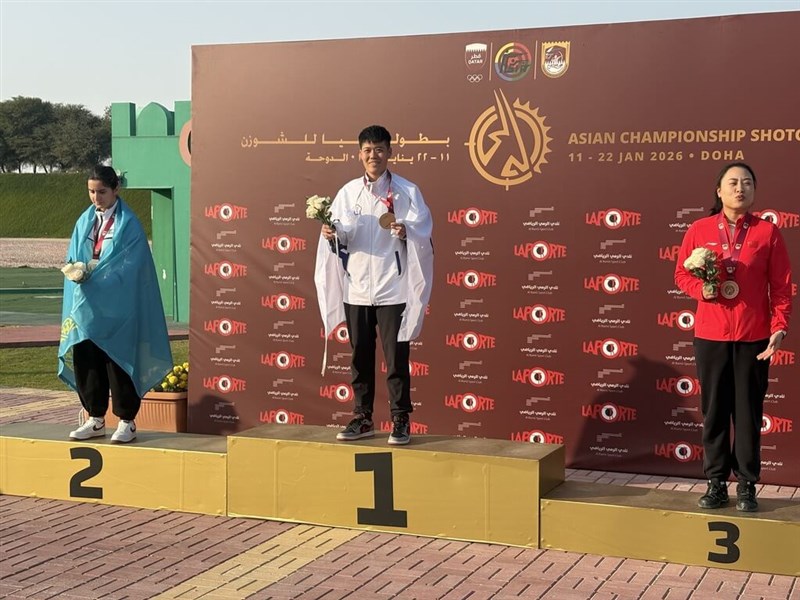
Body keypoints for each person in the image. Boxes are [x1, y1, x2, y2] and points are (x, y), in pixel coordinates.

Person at [675, 162, 792, 511]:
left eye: (747, 183)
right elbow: (681, 273)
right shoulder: (699, 229)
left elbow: (782, 288)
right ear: (719, 190)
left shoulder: (767, 233)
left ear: (754, 191)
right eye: (733, 183)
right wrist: (703, 288)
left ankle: (746, 485)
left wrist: (779, 327)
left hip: (753, 337)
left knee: (748, 413)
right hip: (710, 335)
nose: (740, 188)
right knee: (714, 412)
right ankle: (715, 483)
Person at [314, 125, 434, 445]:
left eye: (379, 149)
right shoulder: (348, 192)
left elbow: (423, 229)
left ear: (389, 152)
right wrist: (332, 233)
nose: (373, 156)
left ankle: (400, 418)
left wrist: (406, 230)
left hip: (393, 287)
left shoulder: (407, 191)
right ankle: (362, 417)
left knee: (396, 357)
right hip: (357, 288)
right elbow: (342, 233)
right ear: (359, 154)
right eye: (367, 150)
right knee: (360, 356)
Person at [58, 166, 173, 443]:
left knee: (118, 359)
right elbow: (74, 253)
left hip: (119, 307)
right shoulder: (84, 221)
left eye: (101, 192)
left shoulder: (129, 224)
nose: (96, 197)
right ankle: (95, 418)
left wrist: (98, 276)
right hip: (88, 305)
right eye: (91, 191)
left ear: (115, 190)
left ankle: (126, 421)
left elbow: (133, 266)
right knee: (87, 358)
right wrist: (76, 270)